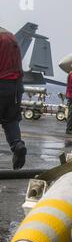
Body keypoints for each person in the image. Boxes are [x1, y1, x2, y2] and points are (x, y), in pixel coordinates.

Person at [0, 26, 27, 170]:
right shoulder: (10, 36)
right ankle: (17, 145)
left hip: (1, 84)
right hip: (16, 87)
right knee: (10, 120)